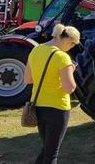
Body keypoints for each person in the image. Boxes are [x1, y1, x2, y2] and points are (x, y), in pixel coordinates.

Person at [23, 24, 80, 164]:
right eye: (72, 45)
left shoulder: (36, 50)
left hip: (38, 106)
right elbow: (69, 88)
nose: (71, 48)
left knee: (47, 150)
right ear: (69, 41)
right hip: (58, 108)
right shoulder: (62, 58)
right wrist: (70, 71)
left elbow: (27, 79)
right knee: (51, 154)